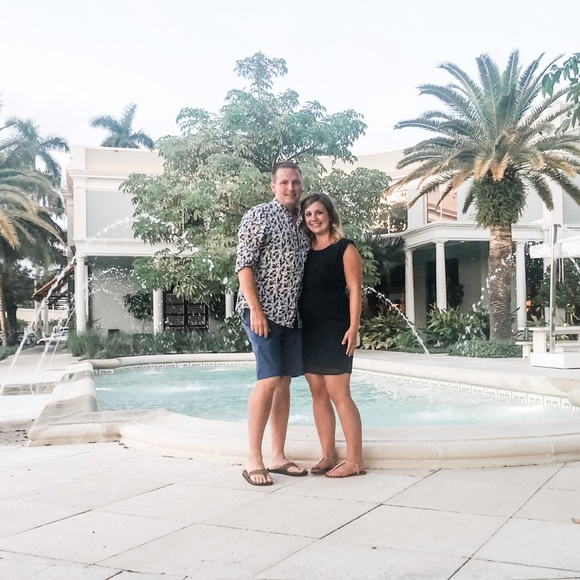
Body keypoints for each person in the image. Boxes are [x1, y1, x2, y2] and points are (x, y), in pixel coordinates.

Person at [235, 161, 310, 486]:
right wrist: (256, 310)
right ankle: (254, 457)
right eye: (284, 182)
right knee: (268, 379)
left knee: (283, 382)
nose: (290, 187)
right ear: (273, 186)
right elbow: (244, 265)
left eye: (295, 182)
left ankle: (278, 456)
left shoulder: (304, 222)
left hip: (292, 315)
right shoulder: (259, 215)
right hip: (262, 311)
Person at [299, 193, 366, 478]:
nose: (314, 218)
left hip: (336, 329)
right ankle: (328, 455)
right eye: (308, 214)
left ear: (329, 215)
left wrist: (354, 327)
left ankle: (355, 460)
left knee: (339, 394)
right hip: (309, 330)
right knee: (318, 394)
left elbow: (355, 290)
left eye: (319, 212)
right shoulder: (304, 251)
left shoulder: (345, 248)